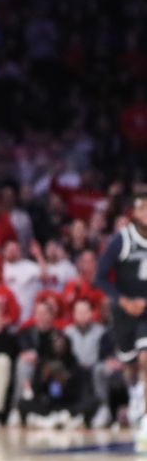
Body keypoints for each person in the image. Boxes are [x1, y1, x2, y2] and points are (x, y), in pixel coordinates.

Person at [95, 186, 147, 444]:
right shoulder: (122, 239)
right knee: (130, 365)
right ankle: (135, 392)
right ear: (135, 213)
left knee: (146, 358)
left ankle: (146, 419)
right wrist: (123, 301)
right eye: (142, 208)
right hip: (125, 312)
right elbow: (100, 277)